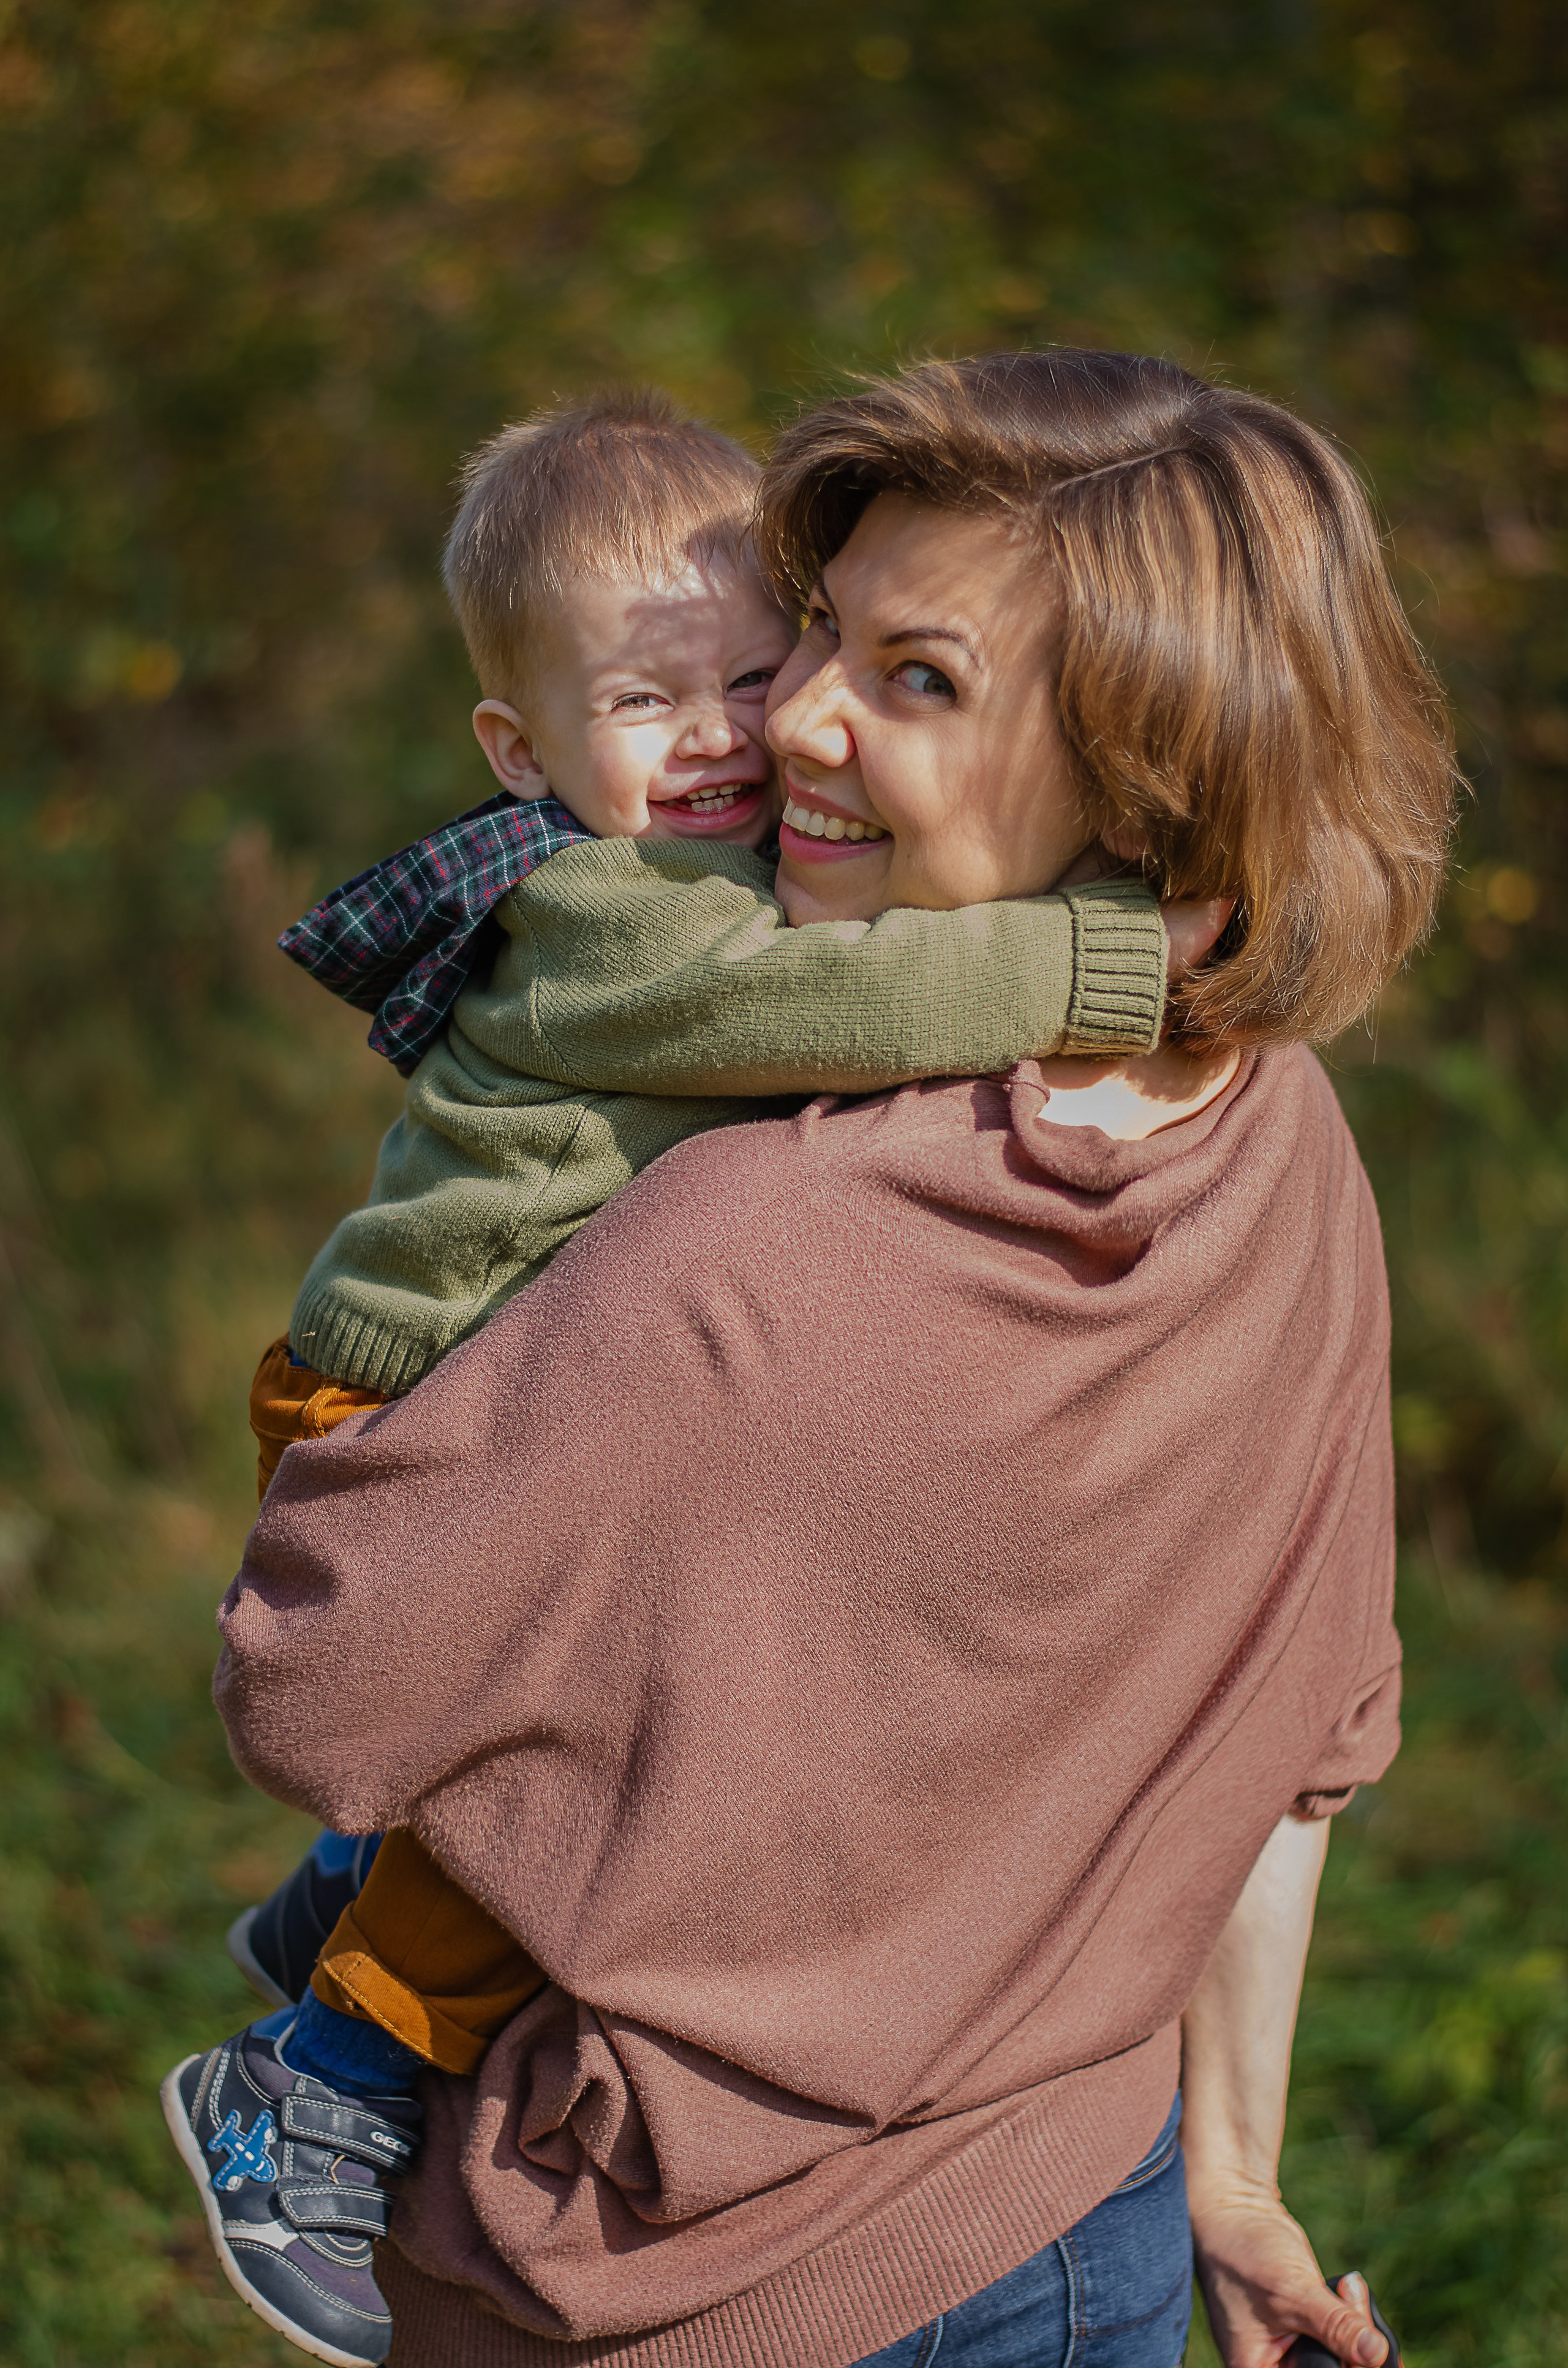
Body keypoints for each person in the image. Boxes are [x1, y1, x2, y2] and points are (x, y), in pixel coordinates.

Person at [200, 351, 1457, 2368]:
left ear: (1147, 773)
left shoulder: (731, 1250)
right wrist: (1235, 2167)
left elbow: (312, 1678)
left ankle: (321, 2021)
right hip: (1098, 2206)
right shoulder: (1284, 1139)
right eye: (824, 640)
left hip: (682, 2282)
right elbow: (1292, 1737)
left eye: (921, 677)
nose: (793, 713)